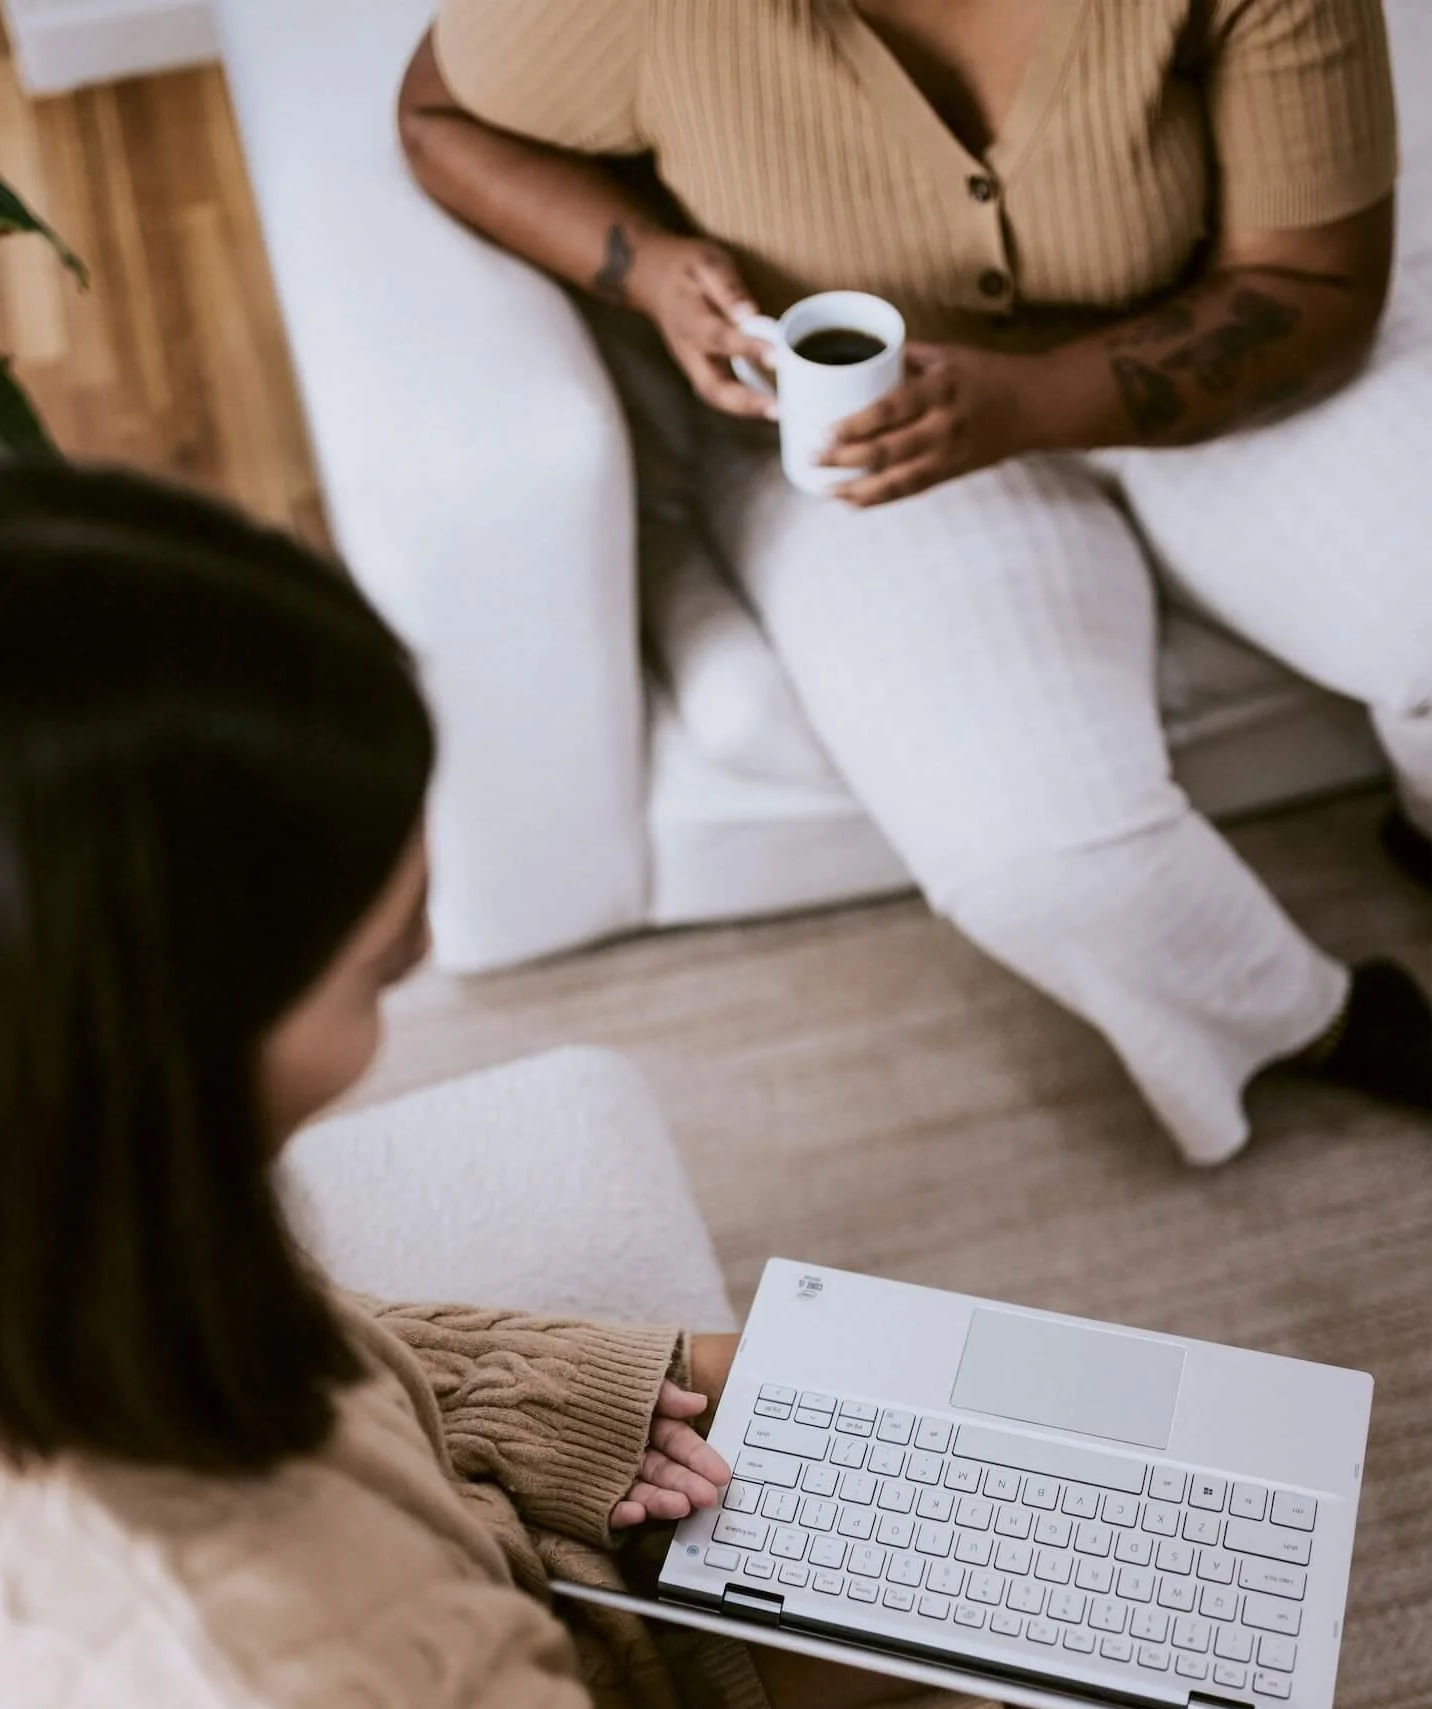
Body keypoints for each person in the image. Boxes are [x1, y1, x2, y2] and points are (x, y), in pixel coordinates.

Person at [0, 461, 1227, 1709]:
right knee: (1082, 1604)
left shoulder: (32, 1183)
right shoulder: (241, 1683)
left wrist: (570, 1405)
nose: (426, 949)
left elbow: (311, 1342)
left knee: (897, 1440)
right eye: (375, 966)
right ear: (156, 1043)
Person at [400, 0, 1432, 1166]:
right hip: (854, 438)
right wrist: (644, 265)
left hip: (1208, 340)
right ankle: (1314, 1020)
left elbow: (1314, 281)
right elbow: (439, 114)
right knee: (1043, 863)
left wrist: (1028, 402)